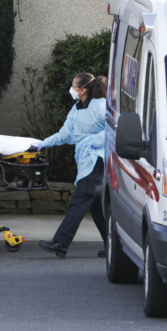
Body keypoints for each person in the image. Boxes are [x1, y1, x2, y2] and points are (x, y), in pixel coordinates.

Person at [36, 73, 107, 258]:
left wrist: (98, 141)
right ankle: (114, 245)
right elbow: (65, 134)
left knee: (81, 198)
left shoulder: (101, 105)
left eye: (74, 86)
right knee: (96, 205)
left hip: (96, 159)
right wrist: (43, 143)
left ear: (82, 89)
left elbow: (114, 129)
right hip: (85, 158)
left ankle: (61, 242)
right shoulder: (76, 108)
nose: (72, 89)